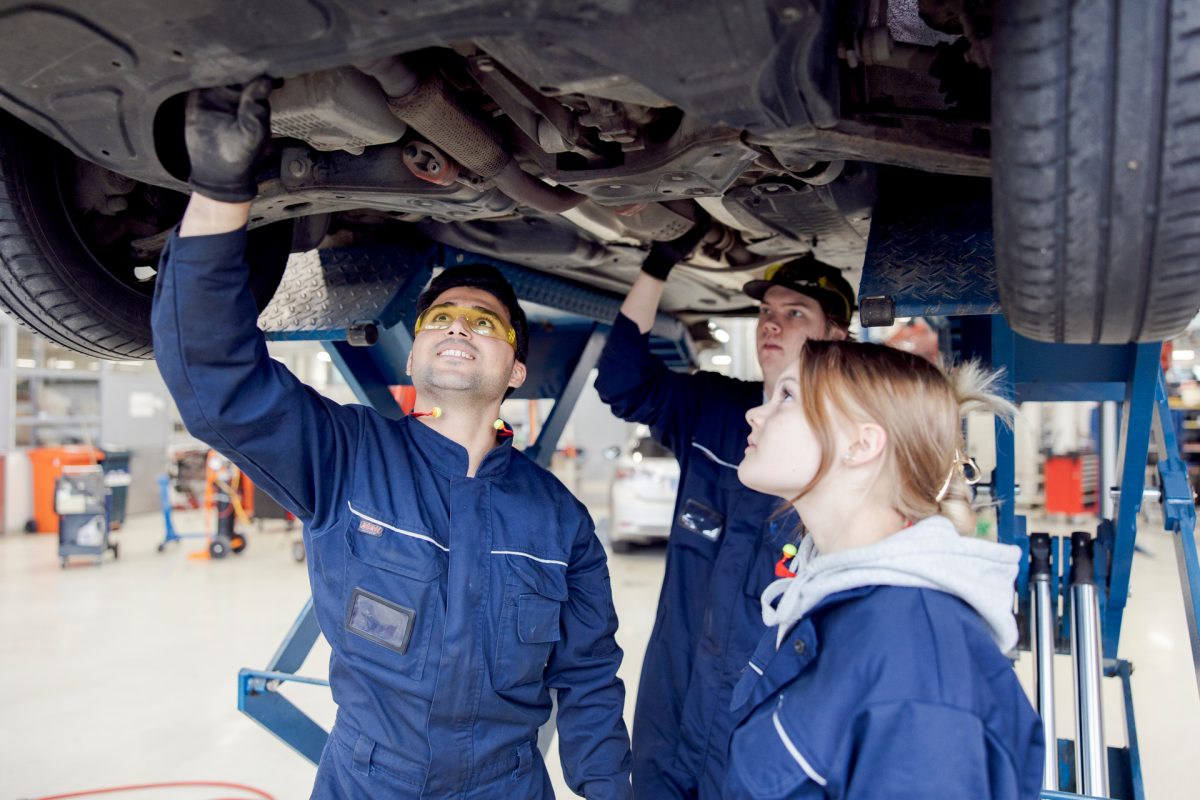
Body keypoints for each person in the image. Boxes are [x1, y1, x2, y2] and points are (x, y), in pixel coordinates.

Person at [152, 79, 632, 799]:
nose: (459, 326)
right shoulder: (344, 457)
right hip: (369, 782)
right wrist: (221, 189)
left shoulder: (560, 521)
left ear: (516, 369)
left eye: (486, 323)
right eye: (440, 319)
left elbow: (588, 677)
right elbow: (216, 384)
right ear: (412, 358)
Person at [594, 227, 857, 797]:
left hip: (760, 713)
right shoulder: (717, 410)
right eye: (766, 311)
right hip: (674, 693)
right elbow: (619, 381)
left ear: (835, 335)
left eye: (794, 314)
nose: (771, 323)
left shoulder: (847, 450)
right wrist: (658, 262)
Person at [726, 341, 1044, 798]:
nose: (756, 414)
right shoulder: (831, 603)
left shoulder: (917, 671)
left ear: (861, 444)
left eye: (788, 396)